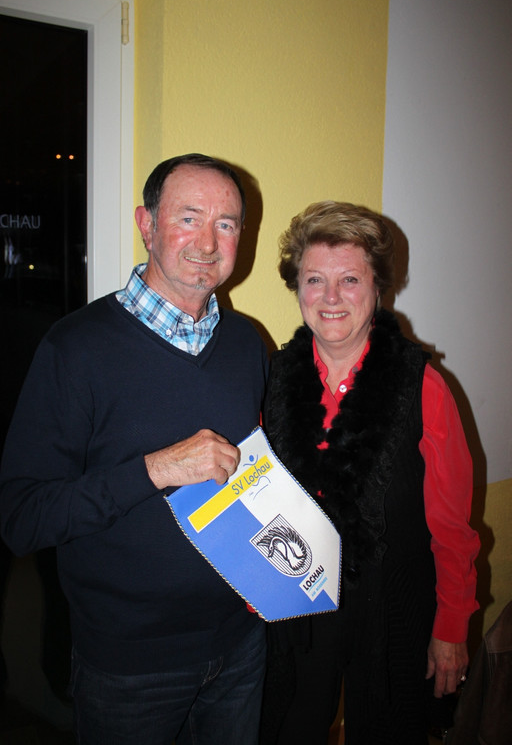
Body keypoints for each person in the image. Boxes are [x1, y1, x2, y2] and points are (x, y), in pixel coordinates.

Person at [0, 153, 268, 745]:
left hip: (241, 645)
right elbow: (22, 518)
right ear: (146, 225)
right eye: (189, 217)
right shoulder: (74, 349)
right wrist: (154, 469)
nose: (208, 242)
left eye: (225, 224)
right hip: (129, 666)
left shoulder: (248, 344)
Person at [259, 201, 480, 745]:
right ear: (297, 288)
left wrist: (451, 627)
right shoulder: (273, 381)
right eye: (315, 279)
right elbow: (257, 499)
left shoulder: (423, 387)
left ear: (378, 288)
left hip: (394, 609)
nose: (331, 297)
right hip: (297, 604)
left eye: (350, 280)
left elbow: (452, 527)